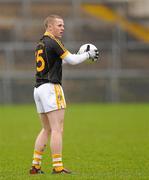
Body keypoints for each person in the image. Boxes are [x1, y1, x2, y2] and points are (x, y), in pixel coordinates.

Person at [29, 14, 99, 175]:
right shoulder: (54, 41)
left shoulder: (41, 43)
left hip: (38, 89)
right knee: (57, 129)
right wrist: (88, 55)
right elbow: (73, 61)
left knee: (46, 129)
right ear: (50, 26)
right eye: (59, 25)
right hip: (50, 88)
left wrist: (78, 55)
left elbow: (65, 60)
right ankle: (58, 167)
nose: (62, 28)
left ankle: (35, 165)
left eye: (63, 25)